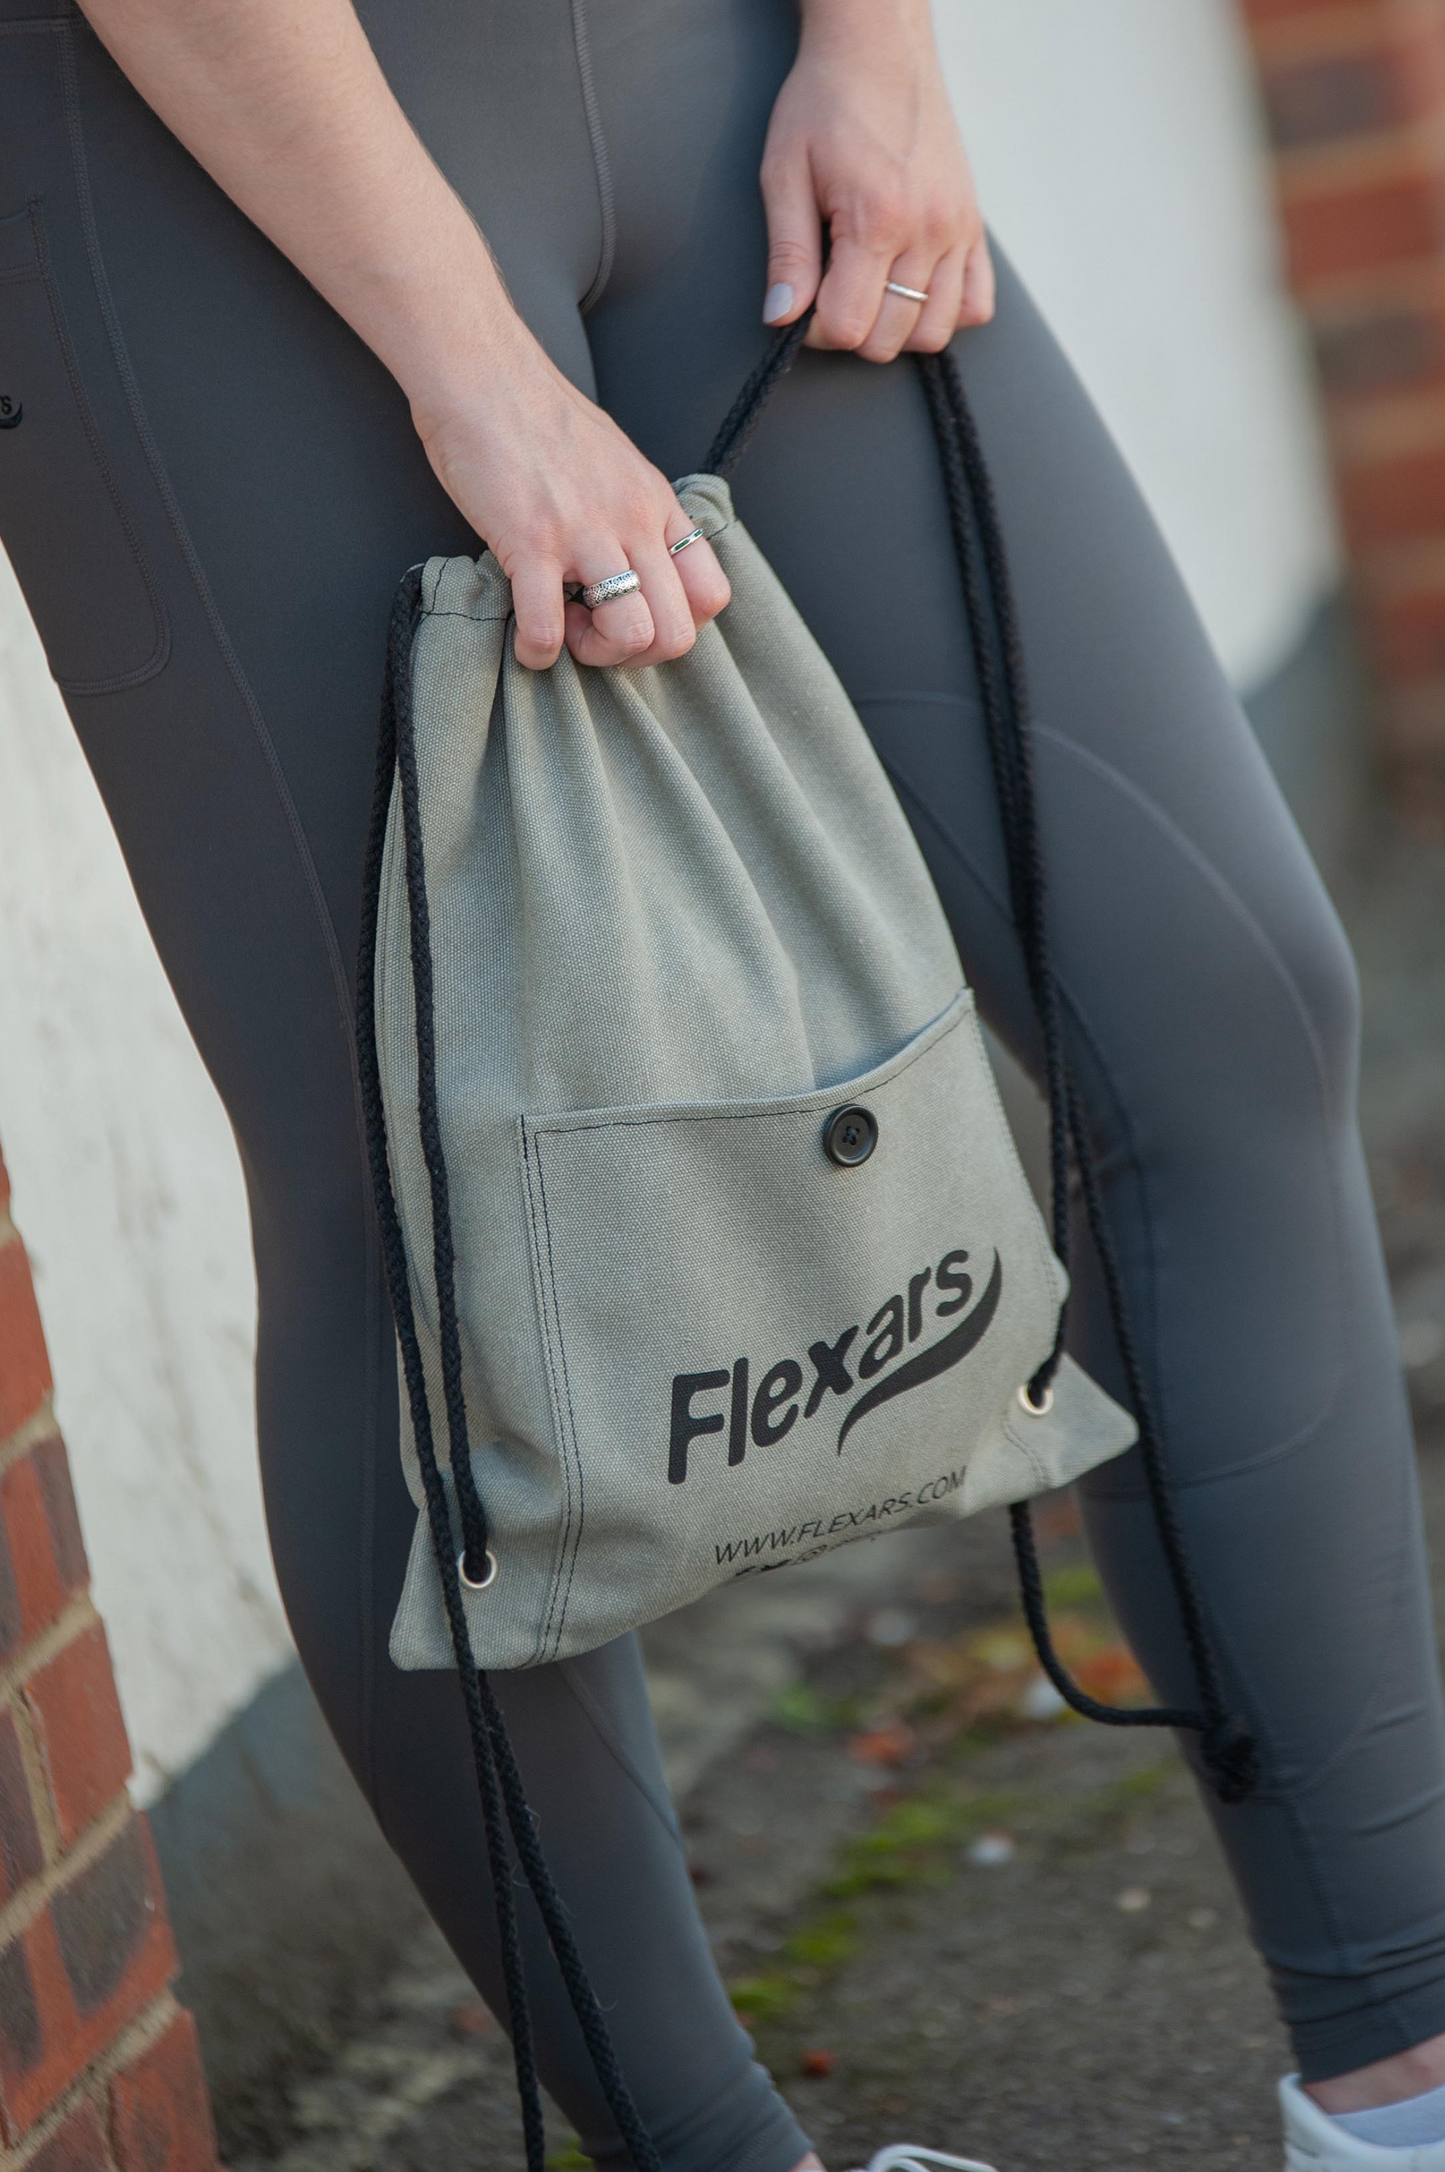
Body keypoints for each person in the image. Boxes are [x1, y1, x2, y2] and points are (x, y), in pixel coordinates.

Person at [3, 0, 1445, 2165]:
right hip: (210, 151)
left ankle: (1404, 2064)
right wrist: (475, 366)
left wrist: (879, 42)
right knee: (423, 1234)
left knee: (1219, 1002)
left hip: (719, 76)